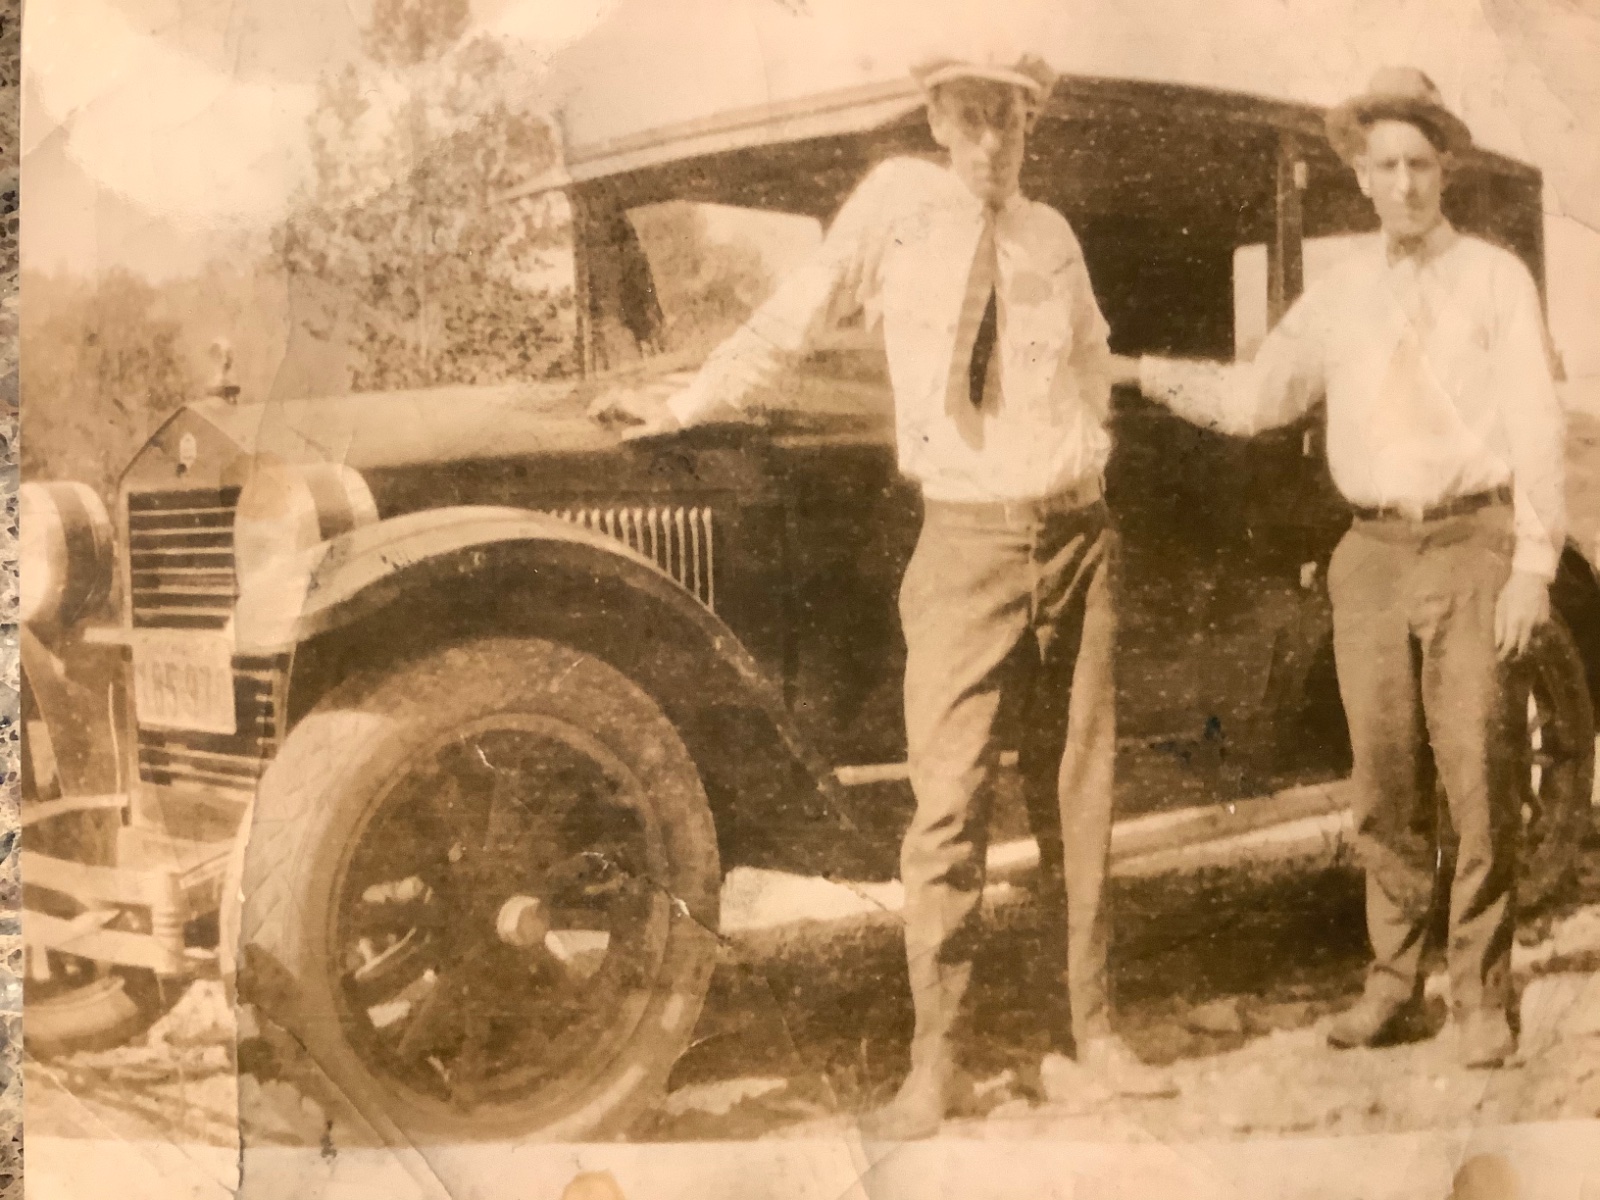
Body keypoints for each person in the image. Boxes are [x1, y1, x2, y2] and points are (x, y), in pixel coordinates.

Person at [605, 48, 1173, 1136]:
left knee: (1081, 798)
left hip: (1076, 543)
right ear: (937, 120)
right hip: (964, 547)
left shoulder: (1052, 236)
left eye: (1011, 120)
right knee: (947, 809)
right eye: (972, 117)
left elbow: (1093, 361)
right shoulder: (897, 207)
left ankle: (1093, 1033)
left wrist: (1076, 468)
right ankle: (937, 1064)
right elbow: (793, 318)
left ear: (1031, 126)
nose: (992, 141)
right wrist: (684, 405)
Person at [1117, 66, 1565, 1068]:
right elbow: (1255, 400)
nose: (1404, 183)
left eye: (1420, 164)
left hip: (1470, 544)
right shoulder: (1339, 295)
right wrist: (1140, 375)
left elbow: (1536, 427)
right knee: (1382, 784)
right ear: (1359, 176)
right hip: (1369, 555)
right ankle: (1392, 986)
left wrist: (1533, 566)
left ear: (1444, 169)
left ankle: (1479, 996)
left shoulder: (1494, 278)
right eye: (1385, 166)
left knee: (1479, 778)